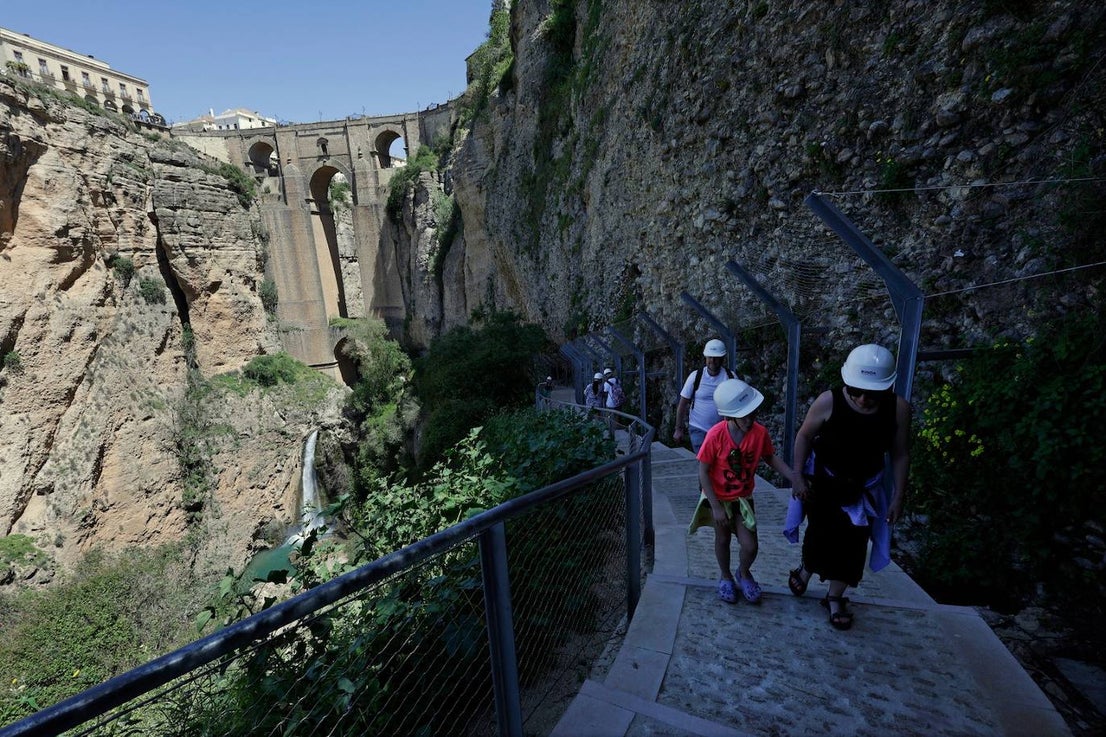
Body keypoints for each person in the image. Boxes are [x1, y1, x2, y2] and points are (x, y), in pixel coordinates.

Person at [785, 344, 910, 630]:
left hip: (864, 488)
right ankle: (806, 569)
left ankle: (834, 597)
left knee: (853, 544)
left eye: (872, 393)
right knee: (820, 534)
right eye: (856, 391)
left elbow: (901, 453)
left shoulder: (898, 410)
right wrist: (798, 476)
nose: (864, 399)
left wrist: (898, 495)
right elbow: (804, 436)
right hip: (825, 481)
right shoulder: (828, 402)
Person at [689, 379, 794, 604]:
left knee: (750, 545)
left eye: (752, 413)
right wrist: (716, 507)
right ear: (729, 415)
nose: (749, 419)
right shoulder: (716, 435)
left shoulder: (759, 433)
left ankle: (743, 572)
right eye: (743, 415)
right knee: (723, 539)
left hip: (743, 498)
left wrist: (793, 477)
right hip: (719, 498)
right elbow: (704, 470)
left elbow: (769, 457)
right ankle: (725, 576)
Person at [674, 339, 734, 453]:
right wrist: (678, 429)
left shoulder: (730, 377)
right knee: (705, 464)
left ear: (722, 358)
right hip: (699, 428)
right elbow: (682, 404)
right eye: (710, 357)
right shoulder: (695, 376)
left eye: (716, 357)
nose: (712, 360)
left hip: (723, 431)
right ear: (705, 357)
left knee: (720, 465)